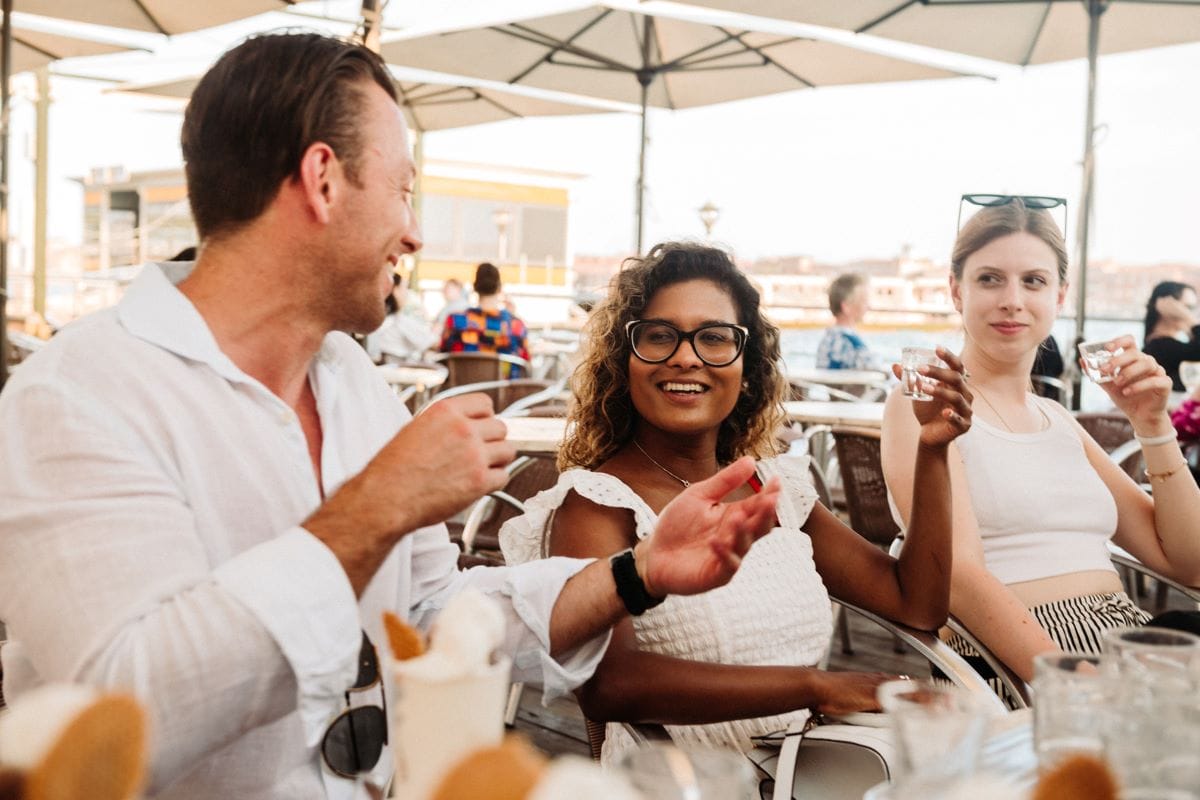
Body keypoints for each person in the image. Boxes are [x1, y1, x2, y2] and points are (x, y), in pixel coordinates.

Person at [0, 34, 783, 799]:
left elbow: (434, 619)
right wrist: (379, 504)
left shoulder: (353, 386)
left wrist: (636, 574)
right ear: (322, 180)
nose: (414, 231)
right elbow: (126, 714)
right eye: (403, 191)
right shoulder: (76, 396)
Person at [500, 242, 973, 762]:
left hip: (813, 775)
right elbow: (609, 684)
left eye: (714, 338)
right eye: (659, 336)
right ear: (624, 361)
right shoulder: (598, 501)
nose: (686, 356)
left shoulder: (776, 490)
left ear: (746, 366)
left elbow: (917, 604)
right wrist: (815, 687)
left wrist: (933, 451)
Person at [881, 197, 1200, 699]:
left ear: (1059, 295)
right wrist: (1075, 680)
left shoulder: (1057, 420)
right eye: (989, 279)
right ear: (955, 291)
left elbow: (1187, 561)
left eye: (1033, 281)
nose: (1012, 300)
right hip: (1017, 665)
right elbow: (959, 576)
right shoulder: (925, 405)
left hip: (1126, 639)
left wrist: (1153, 427)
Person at [439, 262, 530, 376]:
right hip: (504, 391)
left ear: (474, 287)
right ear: (499, 288)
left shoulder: (455, 321)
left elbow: (442, 356)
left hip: (462, 391)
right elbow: (526, 361)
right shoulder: (515, 325)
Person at [365, 272, 436, 363]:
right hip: (399, 369)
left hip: (381, 365)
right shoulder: (400, 320)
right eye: (404, 289)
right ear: (394, 290)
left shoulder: (378, 319)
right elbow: (430, 342)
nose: (407, 294)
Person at [1143, 280, 1200, 392]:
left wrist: (1189, 329)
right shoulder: (1159, 346)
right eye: (1187, 307)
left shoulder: (1165, 345)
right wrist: (1189, 320)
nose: (1189, 313)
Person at [815, 272, 879, 371]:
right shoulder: (853, 344)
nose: (869, 306)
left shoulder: (826, 340)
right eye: (864, 301)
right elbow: (878, 374)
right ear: (846, 307)